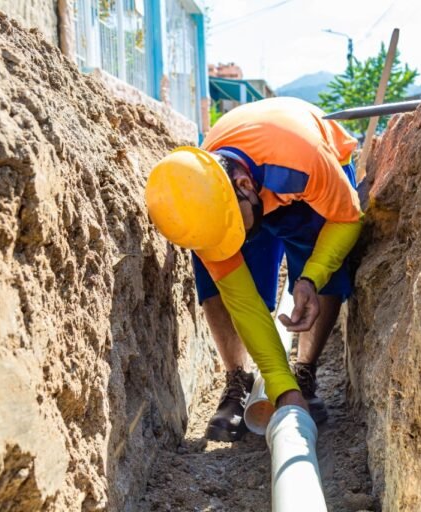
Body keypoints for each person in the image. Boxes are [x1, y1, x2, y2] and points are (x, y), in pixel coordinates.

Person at [144, 97, 362, 442]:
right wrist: (279, 383)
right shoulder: (202, 209)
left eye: (236, 227)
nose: (234, 240)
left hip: (307, 186)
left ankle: (305, 371)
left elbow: (348, 219)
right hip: (256, 191)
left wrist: (312, 275)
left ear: (244, 187)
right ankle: (238, 380)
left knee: (326, 275)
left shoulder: (302, 162)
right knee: (217, 287)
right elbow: (244, 304)